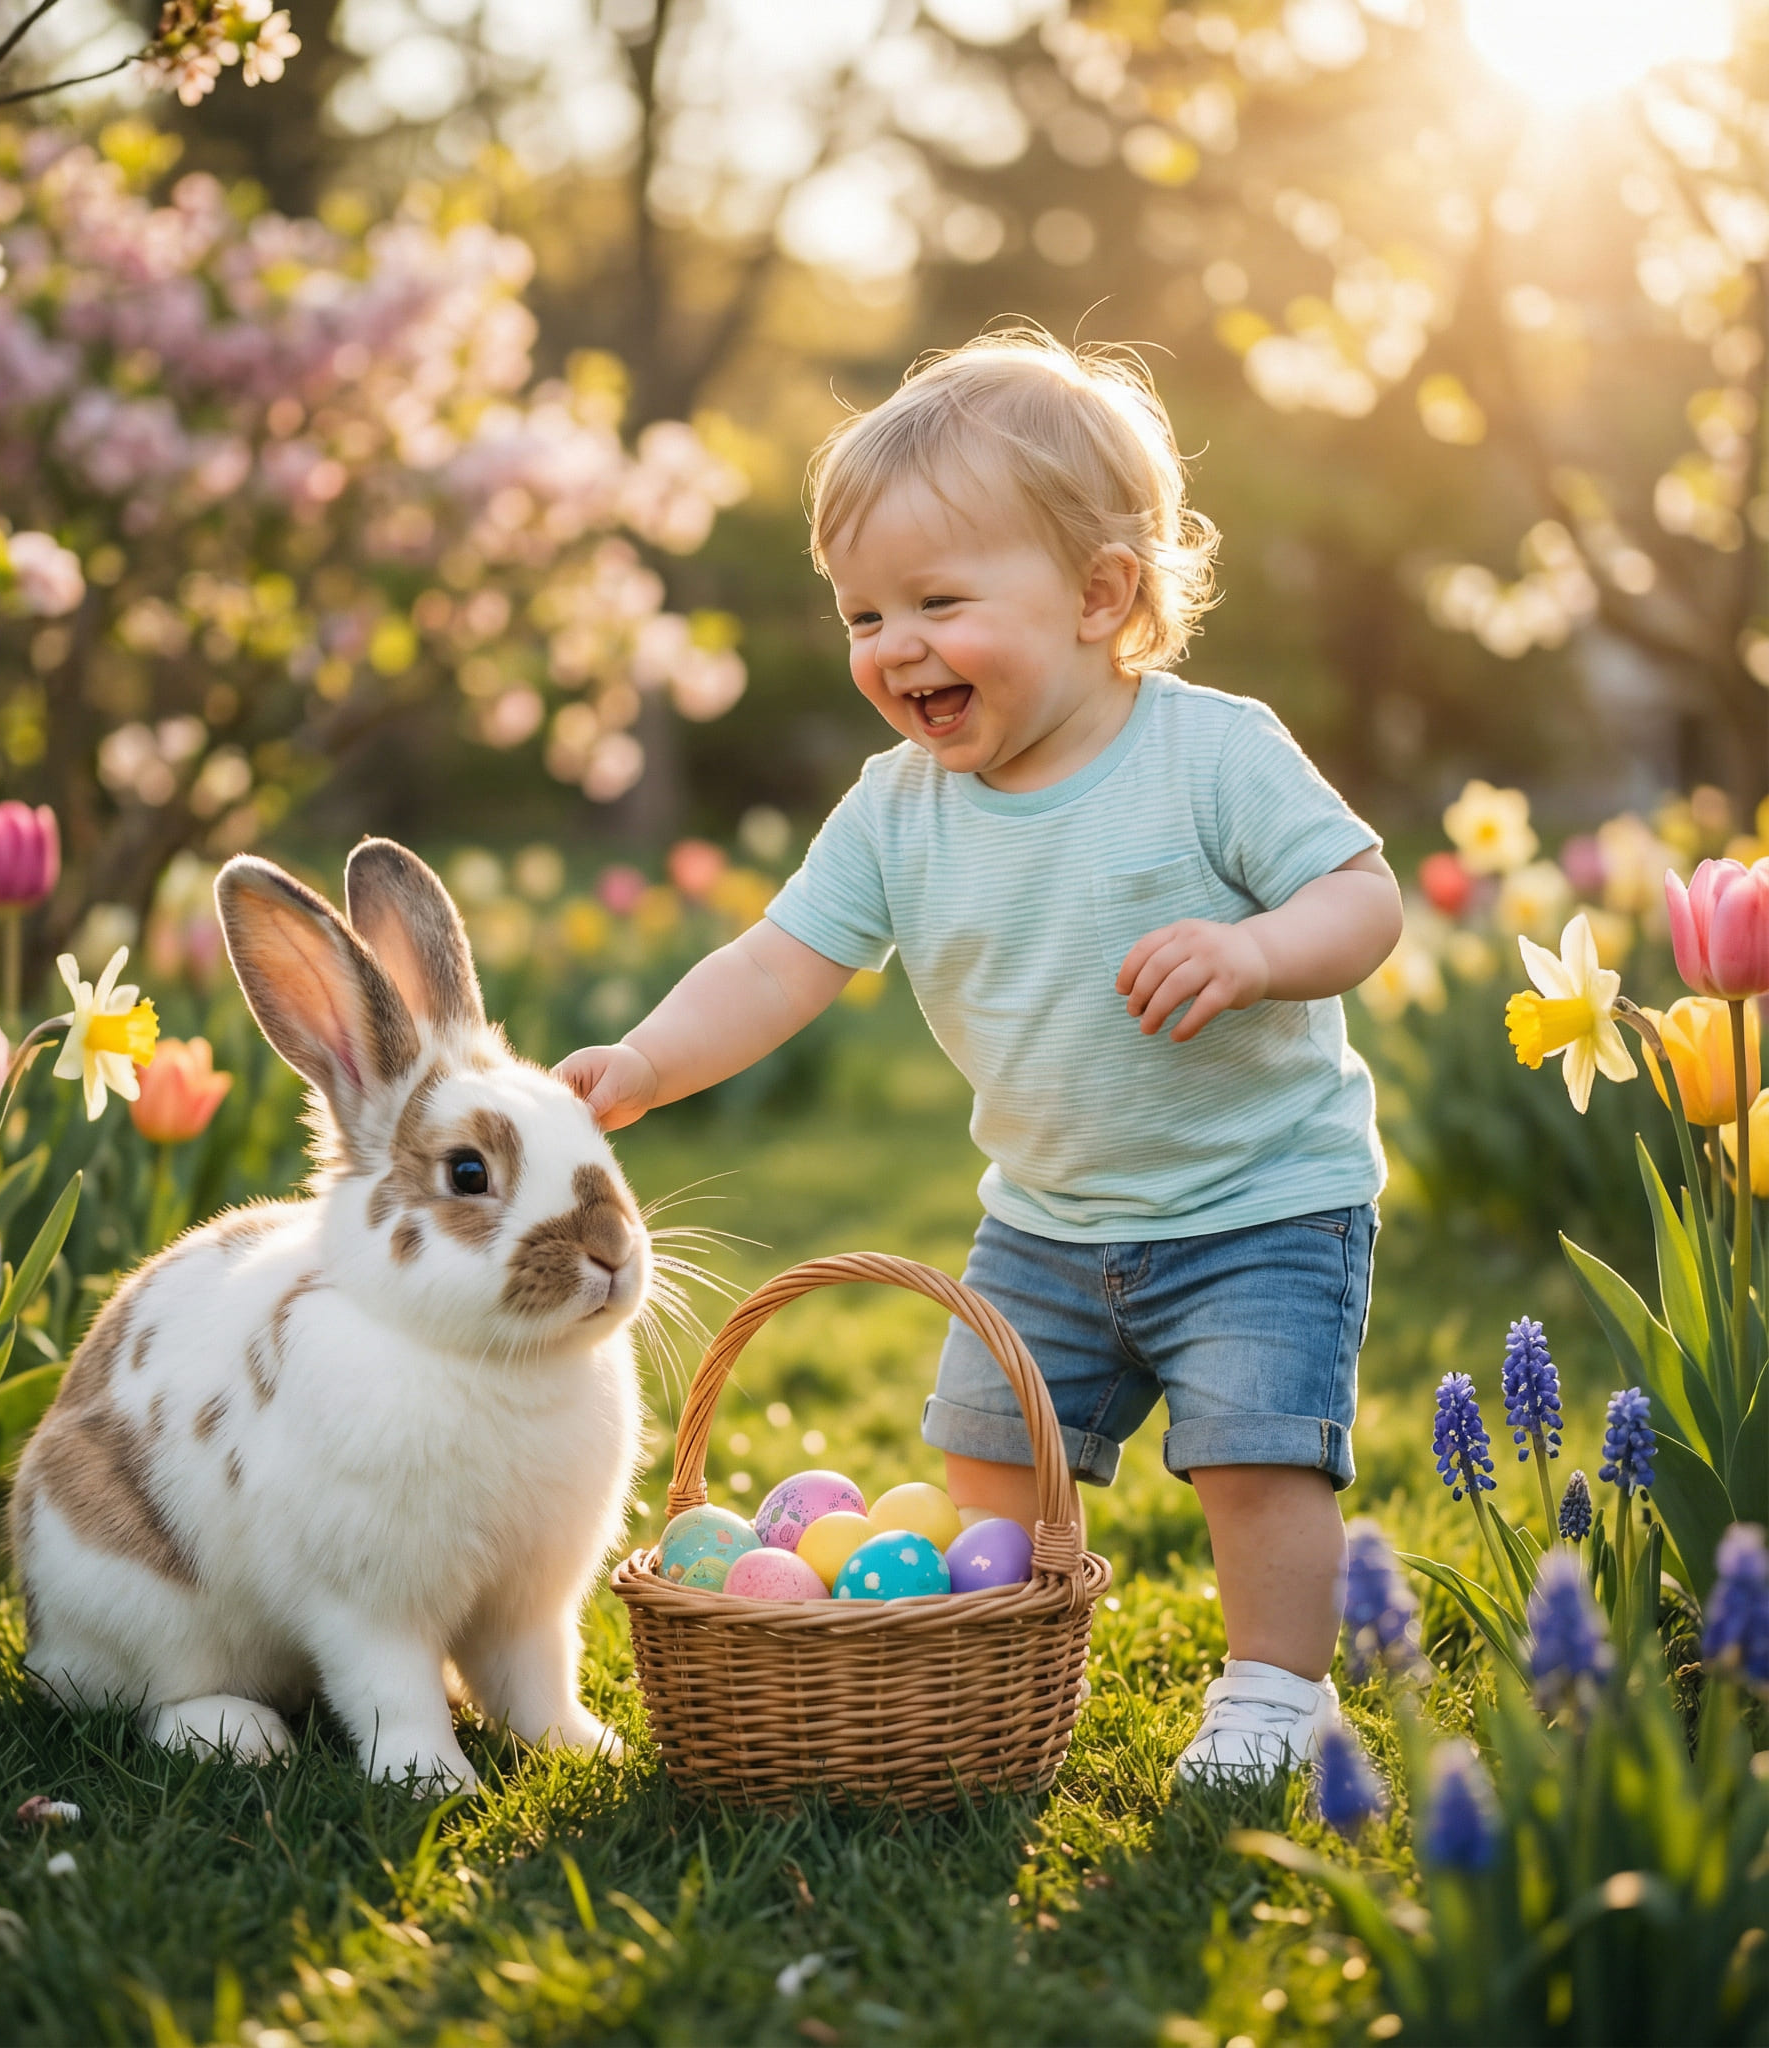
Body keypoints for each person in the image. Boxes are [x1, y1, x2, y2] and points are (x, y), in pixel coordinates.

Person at [555, 329, 1403, 1782]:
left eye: (940, 602)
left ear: (1098, 595)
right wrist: (643, 1062)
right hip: (1046, 1222)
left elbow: (1363, 898)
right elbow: (776, 964)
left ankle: (1274, 1694)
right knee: (987, 1459)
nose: (895, 646)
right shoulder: (897, 810)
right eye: (864, 613)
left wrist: (1258, 951)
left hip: (1259, 1203)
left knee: (1257, 1460)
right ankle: (992, 1667)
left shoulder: (1212, 755)